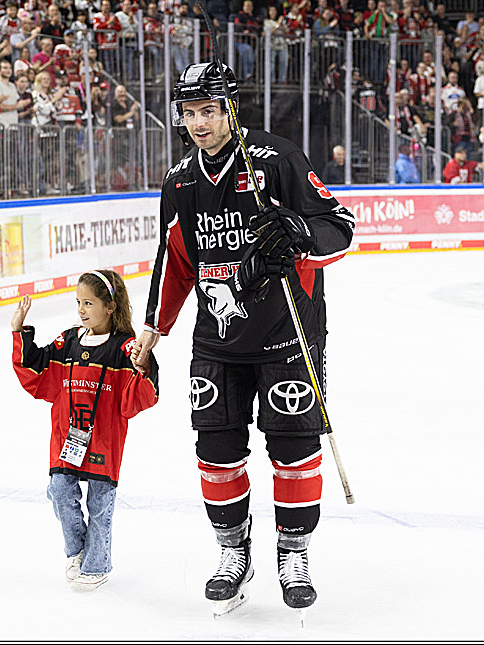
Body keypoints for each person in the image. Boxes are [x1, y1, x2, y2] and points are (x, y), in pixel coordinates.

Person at [129, 62, 355, 616]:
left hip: (288, 335)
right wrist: (154, 330)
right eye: (189, 113)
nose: (200, 123)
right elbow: (174, 263)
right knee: (217, 450)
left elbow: (341, 227)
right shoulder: (179, 182)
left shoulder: (276, 160)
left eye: (210, 110)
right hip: (217, 342)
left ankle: (293, 553)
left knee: (295, 450)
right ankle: (234, 552)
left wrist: (299, 234)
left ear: (232, 107)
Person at [10, 271, 160, 591]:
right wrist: (18, 330)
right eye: (78, 302)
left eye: (88, 303)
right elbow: (37, 370)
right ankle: (78, 550)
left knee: (99, 506)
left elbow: (141, 394)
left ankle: (97, 563)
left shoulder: (125, 348)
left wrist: (144, 364)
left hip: (105, 440)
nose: (81, 309)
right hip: (68, 438)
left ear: (110, 307)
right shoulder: (68, 341)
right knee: (60, 491)